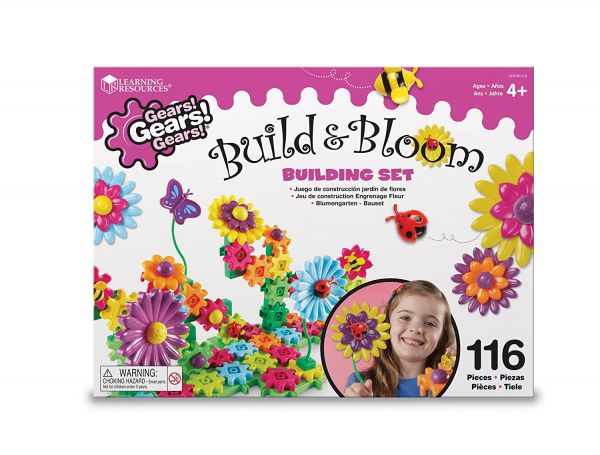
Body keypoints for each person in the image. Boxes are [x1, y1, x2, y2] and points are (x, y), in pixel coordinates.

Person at [344, 280, 455, 397]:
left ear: (442, 335)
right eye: (405, 317)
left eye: (429, 323)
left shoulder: (449, 381)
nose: (416, 329)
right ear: (387, 323)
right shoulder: (360, 384)